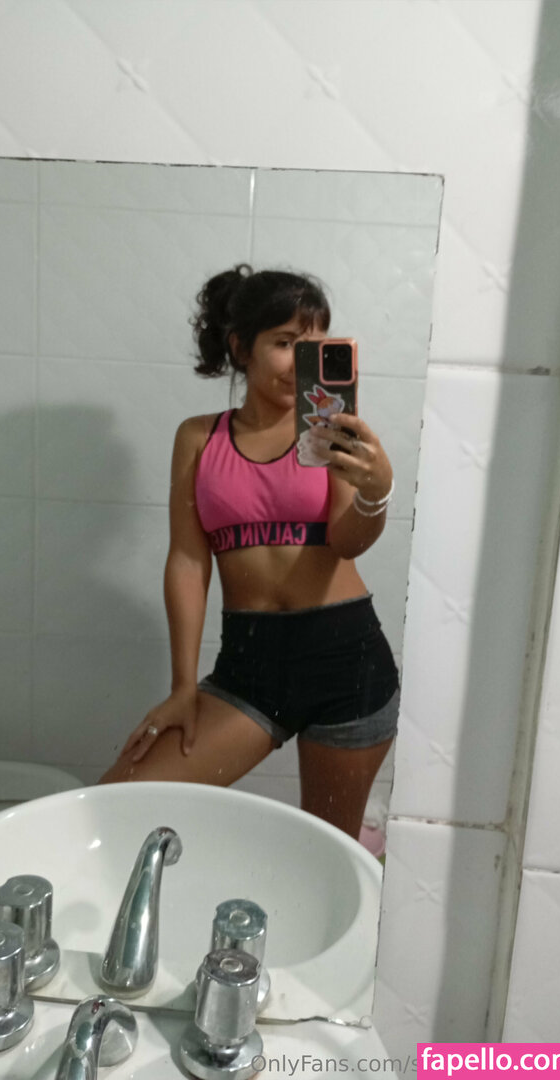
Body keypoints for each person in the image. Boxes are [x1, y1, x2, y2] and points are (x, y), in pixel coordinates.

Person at [99, 265, 400, 840]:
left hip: (348, 662)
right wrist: (183, 687)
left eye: (313, 347)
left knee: (329, 853)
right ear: (241, 347)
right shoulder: (198, 438)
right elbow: (188, 562)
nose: (299, 362)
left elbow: (348, 542)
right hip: (249, 667)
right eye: (285, 343)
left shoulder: (330, 431)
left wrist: (375, 491)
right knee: (120, 803)